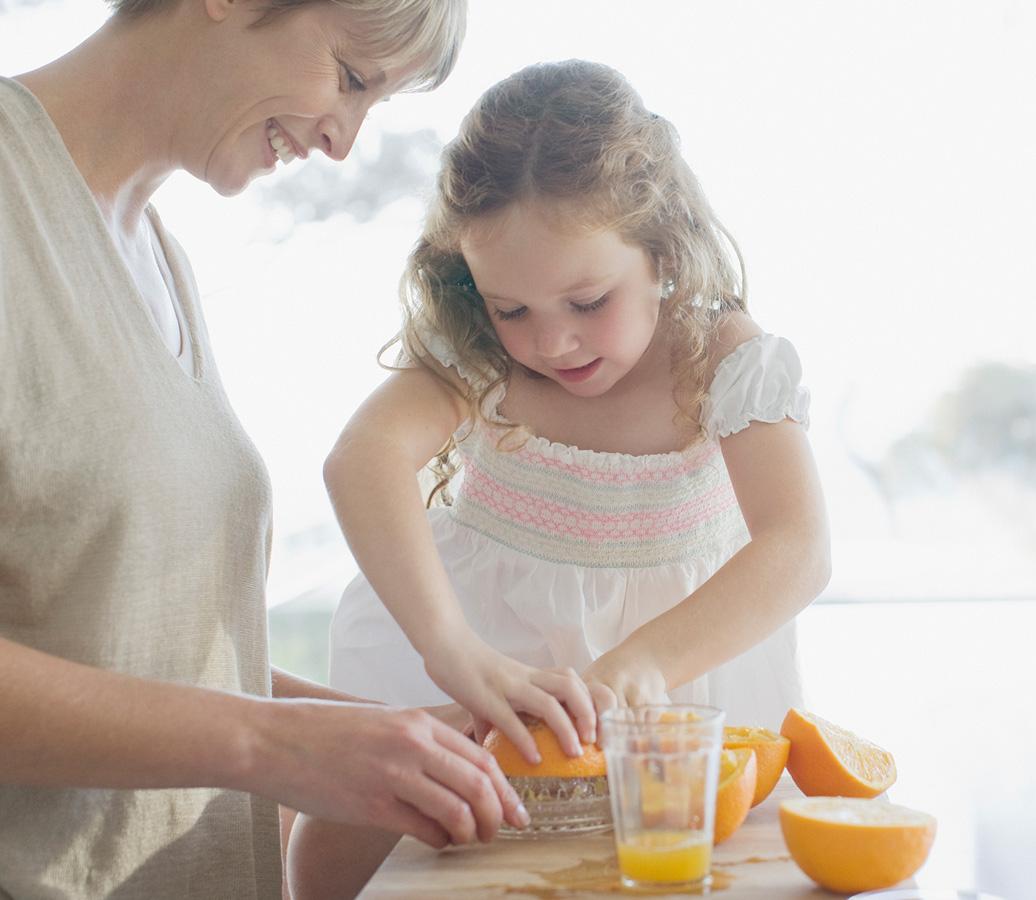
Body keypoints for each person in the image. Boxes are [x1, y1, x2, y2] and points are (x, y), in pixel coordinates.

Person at [0, 3, 593, 898]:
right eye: (352, 77)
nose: (342, 142)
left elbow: (140, 656)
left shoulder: (158, 257)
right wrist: (274, 746)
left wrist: (414, 740)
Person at [288, 59, 832, 895]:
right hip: (484, 662)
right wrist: (452, 653)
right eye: (513, 310)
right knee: (388, 861)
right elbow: (361, 458)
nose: (551, 345)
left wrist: (639, 669)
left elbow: (797, 547)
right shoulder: (474, 355)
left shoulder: (720, 355)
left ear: (660, 251)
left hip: (682, 674)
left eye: (587, 302)